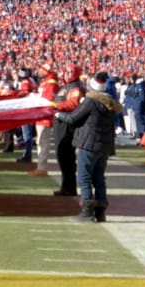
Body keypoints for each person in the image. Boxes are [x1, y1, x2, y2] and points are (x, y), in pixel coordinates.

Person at [55, 70, 122, 223]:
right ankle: (100, 212)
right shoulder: (110, 103)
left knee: (84, 176)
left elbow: (73, 118)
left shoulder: (90, 102)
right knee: (99, 178)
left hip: (89, 143)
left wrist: (58, 114)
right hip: (104, 145)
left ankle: (86, 210)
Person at [51, 66, 86, 196]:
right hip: (60, 123)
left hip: (67, 124)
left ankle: (69, 188)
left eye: (70, 72)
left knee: (66, 156)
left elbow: (73, 103)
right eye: (66, 71)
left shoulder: (76, 87)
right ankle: (66, 186)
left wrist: (57, 106)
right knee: (62, 156)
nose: (67, 74)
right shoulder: (67, 86)